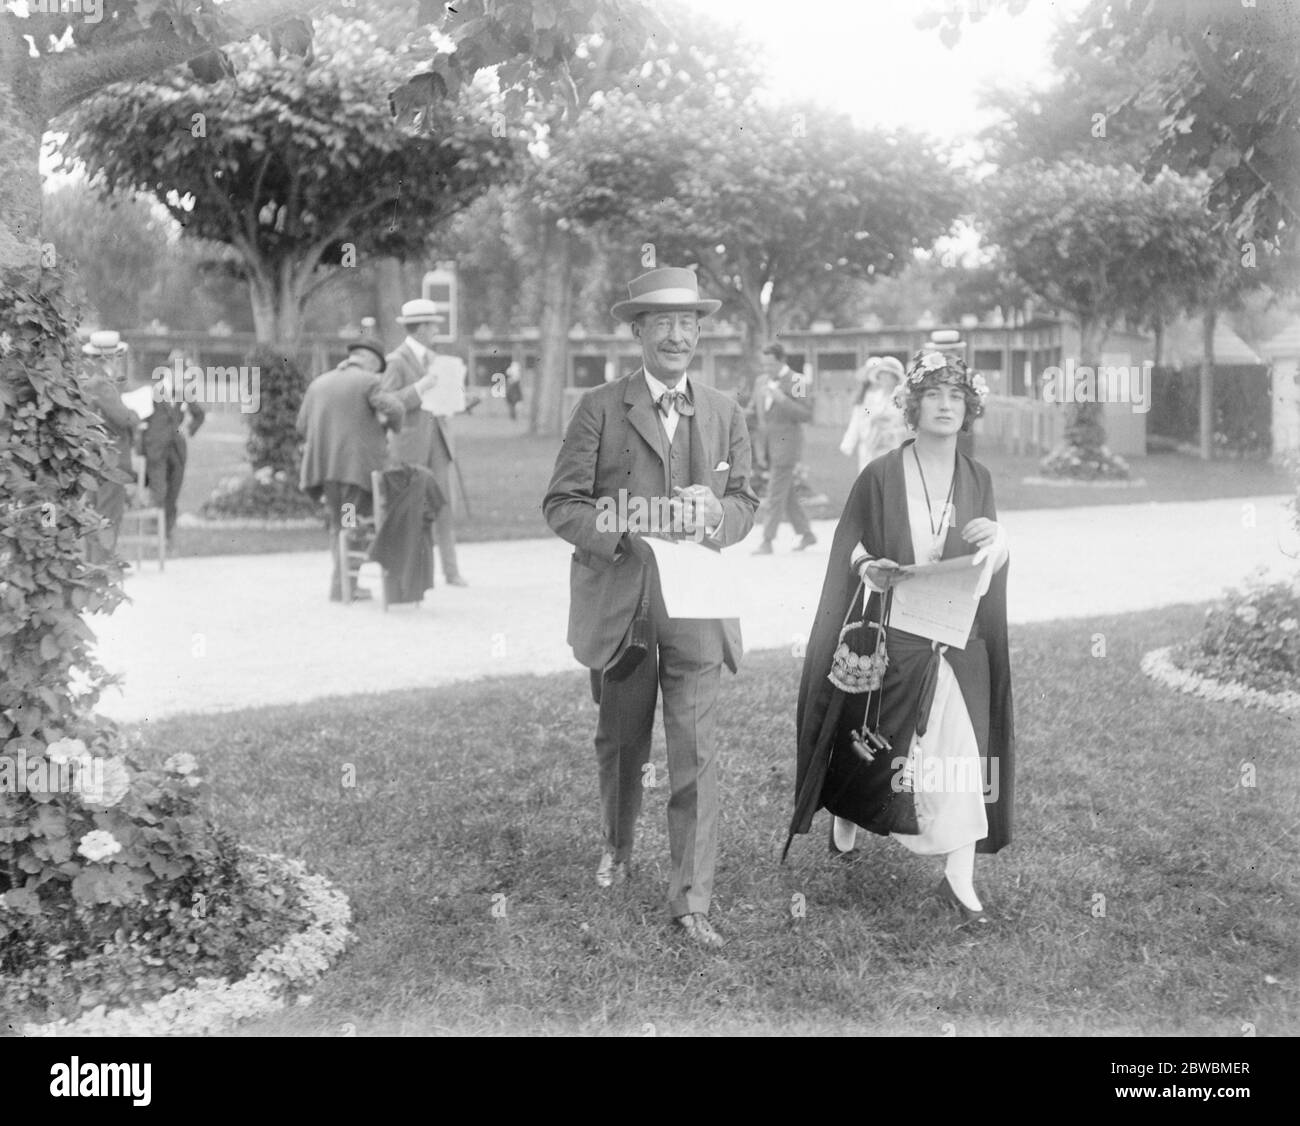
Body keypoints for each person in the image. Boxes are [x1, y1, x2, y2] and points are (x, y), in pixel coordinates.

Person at [542, 266, 759, 950]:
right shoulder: (601, 407)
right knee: (621, 743)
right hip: (623, 606)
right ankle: (616, 844)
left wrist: (717, 514)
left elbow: (748, 504)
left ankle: (692, 899)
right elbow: (562, 504)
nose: (676, 334)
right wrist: (619, 534)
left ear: (699, 332)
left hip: (698, 608)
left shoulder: (725, 411)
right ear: (637, 331)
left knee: (696, 750)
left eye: (688, 321)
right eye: (662, 322)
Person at [785, 348, 1014, 926]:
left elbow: (990, 556)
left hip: (957, 638)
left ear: (969, 407)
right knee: (877, 751)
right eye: (933, 395)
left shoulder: (977, 477)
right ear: (913, 406)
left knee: (962, 752)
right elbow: (850, 541)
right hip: (895, 634)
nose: (945, 405)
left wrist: (998, 540)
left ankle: (959, 880)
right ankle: (847, 812)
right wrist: (867, 567)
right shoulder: (882, 473)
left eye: (956, 396)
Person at [297, 338, 404, 602]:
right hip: (354, 474)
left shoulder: (318, 384)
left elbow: (301, 425)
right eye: (377, 367)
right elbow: (396, 408)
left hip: (326, 474)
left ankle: (344, 584)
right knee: (352, 526)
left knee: (339, 526)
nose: (376, 373)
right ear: (369, 360)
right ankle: (344, 587)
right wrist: (388, 426)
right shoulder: (368, 381)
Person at [382, 299, 468, 587]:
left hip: (438, 442)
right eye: (432, 325)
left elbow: (443, 399)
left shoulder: (437, 360)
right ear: (419, 328)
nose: (435, 330)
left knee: (444, 506)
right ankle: (410, 572)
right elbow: (388, 402)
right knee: (411, 508)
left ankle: (451, 570)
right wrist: (421, 388)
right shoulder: (396, 361)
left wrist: (460, 401)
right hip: (410, 445)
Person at [81, 331, 141, 566]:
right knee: (108, 518)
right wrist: (136, 415)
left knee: (94, 515)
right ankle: (101, 570)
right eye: (117, 357)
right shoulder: (102, 385)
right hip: (111, 463)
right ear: (109, 358)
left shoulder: (91, 383)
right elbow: (125, 419)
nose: (119, 361)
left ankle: (92, 566)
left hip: (94, 461)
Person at [752, 342, 816, 554]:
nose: (766, 369)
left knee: (774, 493)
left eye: (770, 364)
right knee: (786, 493)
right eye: (764, 364)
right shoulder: (761, 381)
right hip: (769, 446)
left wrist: (782, 399)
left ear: (782, 360)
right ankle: (807, 534)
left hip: (788, 444)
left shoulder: (797, 380)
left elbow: (806, 414)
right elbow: (755, 412)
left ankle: (767, 540)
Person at [140, 348, 205, 548]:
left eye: (182, 370)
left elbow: (199, 414)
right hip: (157, 450)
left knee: (172, 494)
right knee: (159, 491)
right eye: (175, 370)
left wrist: (188, 429)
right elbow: (140, 422)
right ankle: (156, 536)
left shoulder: (183, 393)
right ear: (167, 370)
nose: (179, 374)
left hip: (177, 450)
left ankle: (166, 535)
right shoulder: (152, 392)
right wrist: (142, 449)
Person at [840, 356, 906, 472]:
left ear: (895, 378)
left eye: (888, 375)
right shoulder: (871, 398)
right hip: (872, 446)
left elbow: (908, 426)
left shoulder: (902, 400)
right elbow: (864, 414)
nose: (884, 378)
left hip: (893, 447)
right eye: (882, 375)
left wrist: (892, 431)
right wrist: (872, 417)